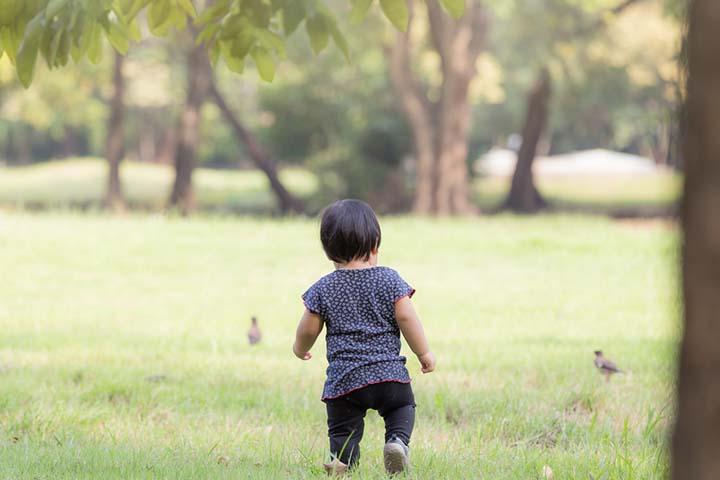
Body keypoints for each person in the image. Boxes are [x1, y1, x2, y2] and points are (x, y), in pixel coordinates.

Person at [293, 199, 436, 475]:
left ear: (328, 250)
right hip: (388, 374)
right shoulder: (390, 280)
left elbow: (309, 328)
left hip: (345, 381)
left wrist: (300, 349)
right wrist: (424, 353)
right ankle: (396, 441)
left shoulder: (323, 288)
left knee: (342, 428)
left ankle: (341, 459)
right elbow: (407, 318)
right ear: (374, 247)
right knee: (403, 406)